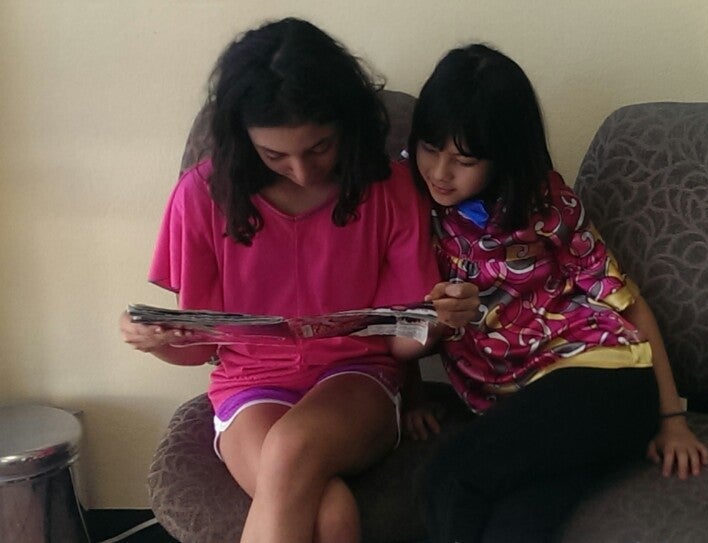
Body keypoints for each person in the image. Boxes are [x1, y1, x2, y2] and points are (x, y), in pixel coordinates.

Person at [119, 18, 477, 543]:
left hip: (358, 379)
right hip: (249, 385)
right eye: (275, 155)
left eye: (319, 148)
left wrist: (440, 319)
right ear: (243, 140)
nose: (303, 172)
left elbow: (400, 342)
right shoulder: (202, 196)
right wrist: (157, 342)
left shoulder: (390, 189)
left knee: (290, 448)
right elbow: (200, 348)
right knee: (331, 514)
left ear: (346, 124)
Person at [403, 44, 708, 543]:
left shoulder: (545, 204)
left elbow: (627, 302)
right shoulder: (408, 202)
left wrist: (672, 417)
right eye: (429, 149)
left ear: (503, 156)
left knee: (449, 479)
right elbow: (391, 308)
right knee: (515, 522)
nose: (440, 172)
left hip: (602, 378)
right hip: (522, 408)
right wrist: (412, 395)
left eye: (464, 160)